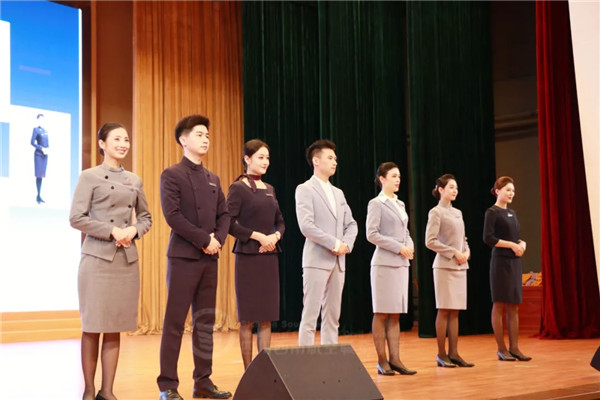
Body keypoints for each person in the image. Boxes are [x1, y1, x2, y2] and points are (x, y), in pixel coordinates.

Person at [70, 123, 152, 400]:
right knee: (93, 326)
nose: (123, 144)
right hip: (96, 260)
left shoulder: (135, 180)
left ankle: (108, 391)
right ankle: (89, 390)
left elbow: (146, 218)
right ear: (102, 143)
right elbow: (76, 218)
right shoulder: (89, 176)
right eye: (117, 139)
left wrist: (134, 230)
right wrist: (111, 230)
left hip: (125, 262)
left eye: (126, 139)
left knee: (114, 326)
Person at [157, 114, 231, 400]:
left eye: (207, 135)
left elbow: (224, 215)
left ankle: (203, 382)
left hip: (210, 259)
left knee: (205, 322)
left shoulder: (213, 178)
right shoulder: (171, 174)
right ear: (183, 140)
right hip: (183, 258)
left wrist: (218, 240)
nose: (205, 139)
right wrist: (204, 240)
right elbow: (173, 216)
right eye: (199, 134)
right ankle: (167, 385)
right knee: (174, 323)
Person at [226, 139, 285, 369]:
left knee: (266, 317)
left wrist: (275, 237)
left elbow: (280, 222)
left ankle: (264, 371)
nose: (265, 162)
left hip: (269, 256)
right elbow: (229, 223)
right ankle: (248, 372)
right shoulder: (238, 188)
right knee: (248, 318)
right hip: (248, 257)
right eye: (260, 157)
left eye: (267, 158)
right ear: (247, 159)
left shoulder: (270, 189)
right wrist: (259, 237)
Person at [295, 139, 358, 346]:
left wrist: (346, 244)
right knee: (310, 315)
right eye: (330, 158)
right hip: (316, 259)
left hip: (338, 262)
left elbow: (352, 224)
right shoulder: (305, 189)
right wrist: (335, 243)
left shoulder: (338, 193)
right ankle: (305, 358)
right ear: (316, 161)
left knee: (333, 317)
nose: (334, 162)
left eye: (335, 159)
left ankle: (330, 358)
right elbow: (306, 226)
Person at [366, 162, 417, 376]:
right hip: (384, 264)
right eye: (394, 176)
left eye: (399, 176)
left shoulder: (400, 203)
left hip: (400, 264)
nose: (398, 180)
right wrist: (399, 247)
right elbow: (372, 234)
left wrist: (410, 245)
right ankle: (382, 361)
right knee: (381, 313)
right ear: (382, 179)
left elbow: (405, 232)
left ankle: (395, 359)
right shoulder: (376, 203)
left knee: (395, 314)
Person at [425, 173, 474, 368]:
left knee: (455, 312)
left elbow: (463, 239)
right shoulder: (436, 212)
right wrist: (454, 252)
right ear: (441, 190)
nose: (455, 190)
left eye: (456, 188)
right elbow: (430, 241)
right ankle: (441, 354)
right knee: (444, 310)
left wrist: (466, 252)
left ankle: (454, 353)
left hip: (460, 265)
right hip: (444, 266)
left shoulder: (458, 212)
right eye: (451, 187)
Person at [483, 176, 531, 362]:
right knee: (499, 304)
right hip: (500, 262)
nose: (511, 193)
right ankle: (502, 349)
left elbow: (514, 237)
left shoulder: (512, 213)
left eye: (513, 190)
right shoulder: (492, 212)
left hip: (514, 262)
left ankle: (515, 348)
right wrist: (511, 245)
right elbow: (488, 238)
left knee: (514, 306)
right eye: (508, 190)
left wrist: (521, 243)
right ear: (497, 191)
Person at [31, 113, 49, 203]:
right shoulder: (36, 130)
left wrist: (48, 149)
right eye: (41, 119)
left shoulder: (45, 131)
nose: (42, 121)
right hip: (38, 155)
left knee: (41, 175)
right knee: (38, 175)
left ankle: (39, 196)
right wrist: (41, 148)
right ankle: (38, 195)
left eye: (43, 119)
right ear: (38, 119)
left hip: (45, 155)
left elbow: (47, 143)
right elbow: (32, 142)